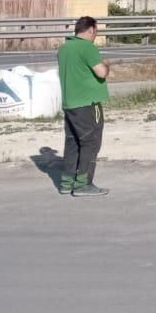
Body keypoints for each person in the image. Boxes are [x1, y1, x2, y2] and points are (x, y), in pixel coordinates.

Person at [57, 16, 110, 196]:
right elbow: (101, 73)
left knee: (72, 142)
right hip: (88, 102)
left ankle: (67, 182)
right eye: (96, 32)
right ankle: (83, 184)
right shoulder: (88, 47)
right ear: (90, 30)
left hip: (69, 102)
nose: (96, 35)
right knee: (91, 142)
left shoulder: (64, 48)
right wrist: (106, 65)